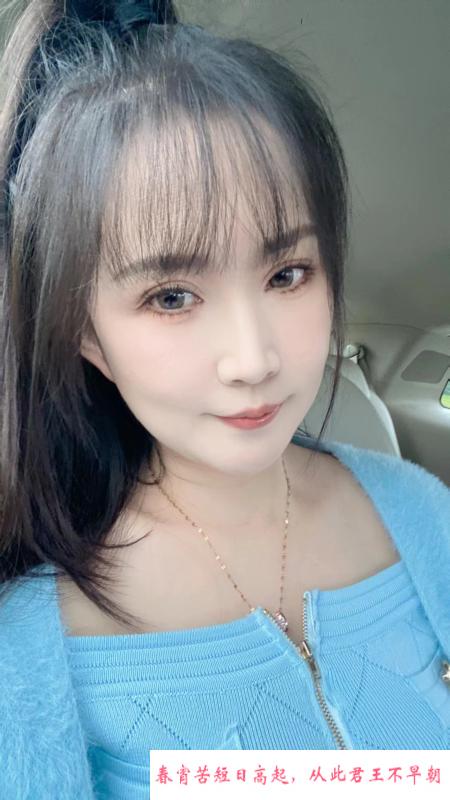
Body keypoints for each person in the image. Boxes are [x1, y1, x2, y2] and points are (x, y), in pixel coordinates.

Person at [0, 1, 449, 798]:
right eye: (171, 296)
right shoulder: (33, 645)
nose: (253, 360)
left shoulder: (420, 514)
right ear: (86, 334)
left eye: (287, 274)